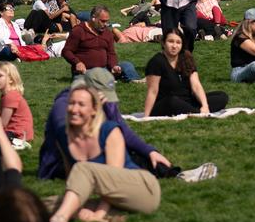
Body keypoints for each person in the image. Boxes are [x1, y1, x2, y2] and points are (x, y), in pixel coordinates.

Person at [45, 87, 161, 222]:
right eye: (71, 103)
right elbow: (72, 179)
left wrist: (97, 214)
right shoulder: (64, 136)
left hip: (143, 189)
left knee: (82, 169)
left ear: (94, 110)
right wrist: (80, 209)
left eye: (81, 104)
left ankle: (60, 219)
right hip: (116, 200)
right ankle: (106, 220)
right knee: (47, 203)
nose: (74, 109)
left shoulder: (109, 130)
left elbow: (112, 179)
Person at [37, 69, 177, 180]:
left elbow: (123, 130)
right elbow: (70, 142)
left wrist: (150, 151)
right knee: (126, 160)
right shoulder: (65, 105)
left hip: (96, 151)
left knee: (142, 157)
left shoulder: (105, 102)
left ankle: (168, 172)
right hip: (63, 162)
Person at [142, 28, 229, 117]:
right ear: (163, 43)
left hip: (188, 101)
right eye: (171, 41)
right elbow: (152, 91)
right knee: (172, 101)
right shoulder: (157, 61)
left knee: (222, 96)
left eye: (178, 42)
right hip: (166, 103)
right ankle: (197, 113)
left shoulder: (186, 58)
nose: (174, 46)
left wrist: (205, 105)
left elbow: (196, 86)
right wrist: (146, 115)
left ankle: (196, 111)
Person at [62, 6, 140, 82]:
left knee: (127, 65)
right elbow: (66, 51)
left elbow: (111, 53)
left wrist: (114, 66)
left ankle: (135, 81)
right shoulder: (79, 31)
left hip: (104, 68)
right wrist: (77, 63)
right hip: (85, 70)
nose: (106, 24)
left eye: (107, 21)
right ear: (93, 18)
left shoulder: (107, 33)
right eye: (102, 21)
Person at [0, 62, 36, 143]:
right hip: (16, 132)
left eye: (0, 76)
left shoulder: (10, 96)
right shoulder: (6, 95)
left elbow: (3, 124)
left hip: (18, 135)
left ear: (11, 79)